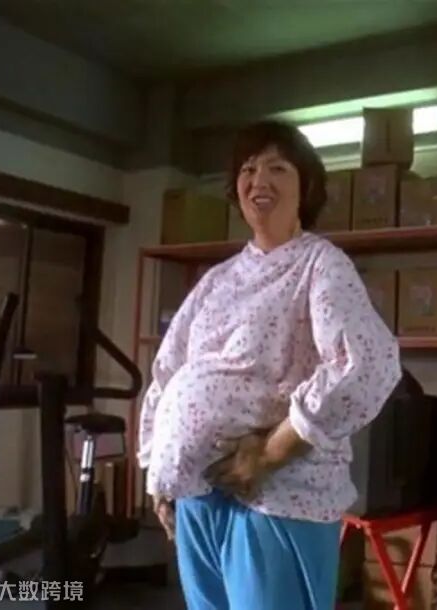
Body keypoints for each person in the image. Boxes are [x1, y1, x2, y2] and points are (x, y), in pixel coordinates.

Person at [136, 120, 402, 610]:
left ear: (307, 188)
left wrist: (270, 453)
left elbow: (367, 365)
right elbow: (167, 373)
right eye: (248, 169)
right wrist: (161, 470)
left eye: (278, 168)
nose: (259, 179)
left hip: (278, 497)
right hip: (198, 497)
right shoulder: (218, 279)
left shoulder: (321, 265)